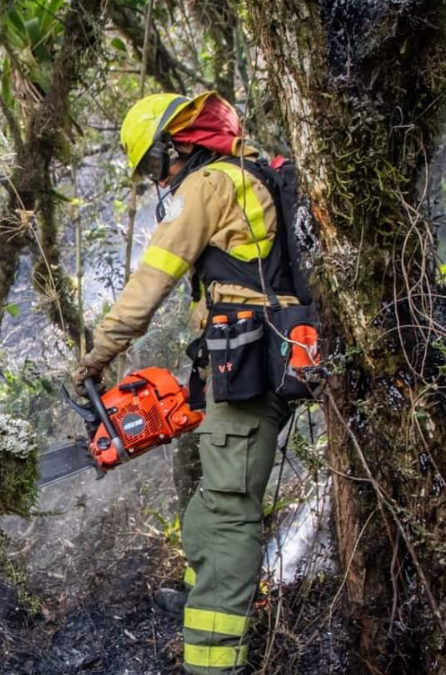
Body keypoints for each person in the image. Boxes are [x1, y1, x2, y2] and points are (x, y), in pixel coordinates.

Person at [74, 91, 297, 674]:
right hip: (242, 363)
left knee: (224, 515)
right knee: (203, 505)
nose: (158, 178)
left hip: (253, 368)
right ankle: (220, 603)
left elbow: (152, 281)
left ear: (181, 146)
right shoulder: (250, 173)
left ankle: (213, 661)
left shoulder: (209, 185)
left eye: (155, 163)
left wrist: (97, 356)